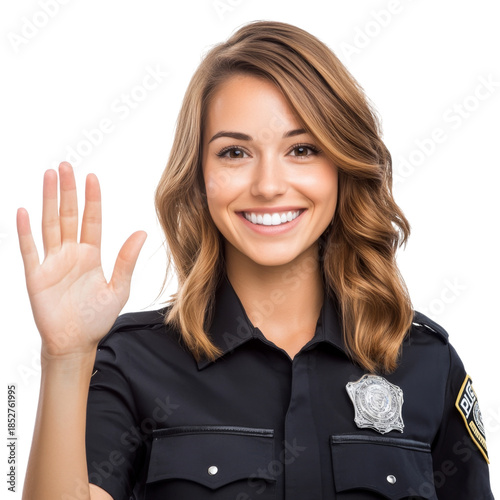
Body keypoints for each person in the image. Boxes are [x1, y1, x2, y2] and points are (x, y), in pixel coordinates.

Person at [17, 20, 494, 500]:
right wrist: (66, 357)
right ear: (199, 175)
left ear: (343, 167)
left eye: (302, 149)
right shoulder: (132, 361)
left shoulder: (427, 362)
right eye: (235, 152)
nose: (268, 185)